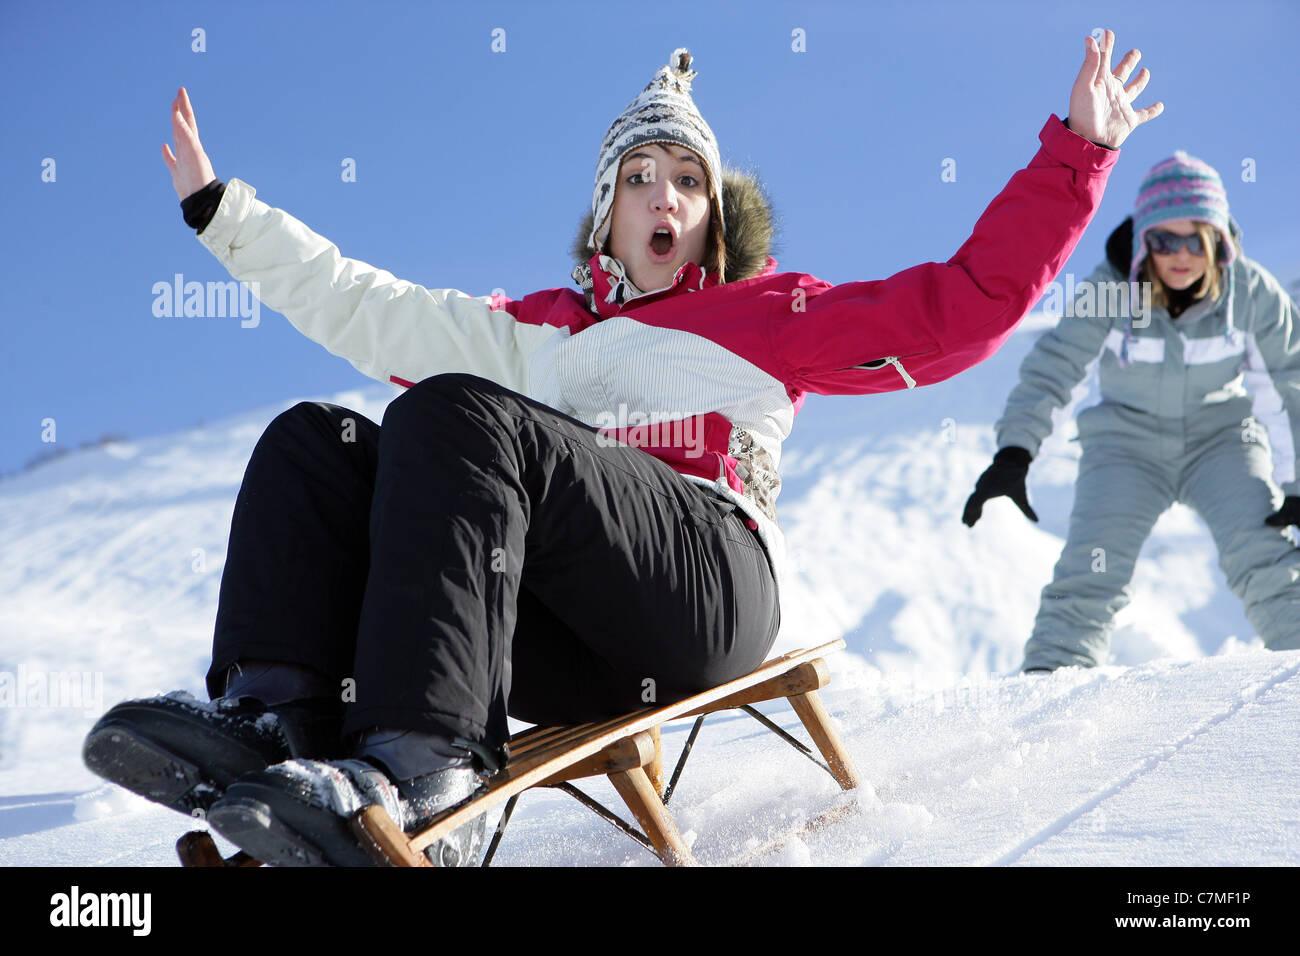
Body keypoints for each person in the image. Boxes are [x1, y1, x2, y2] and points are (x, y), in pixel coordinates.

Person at [83, 35, 1161, 865]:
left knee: (460, 415)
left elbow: (960, 305)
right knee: (317, 441)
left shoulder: (764, 310)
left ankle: (428, 770)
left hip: (706, 583)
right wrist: (226, 215)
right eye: (639, 175)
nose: (664, 195)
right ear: (606, 210)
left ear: (708, 217)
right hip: (561, 629)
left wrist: (1077, 152)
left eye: (686, 180)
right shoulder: (532, 332)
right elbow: (366, 307)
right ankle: (279, 724)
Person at [963, 152, 1300, 673]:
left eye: (1196, 238)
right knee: (1091, 571)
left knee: (1265, 557)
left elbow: (1291, 381)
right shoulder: (1111, 288)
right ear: (1145, 240)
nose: (1181, 255)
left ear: (1217, 240)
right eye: (1165, 240)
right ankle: (1050, 688)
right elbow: (1055, 365)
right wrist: (1014, 452)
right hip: (1126, 445)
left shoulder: (1250, 293)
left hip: (1223, 441)